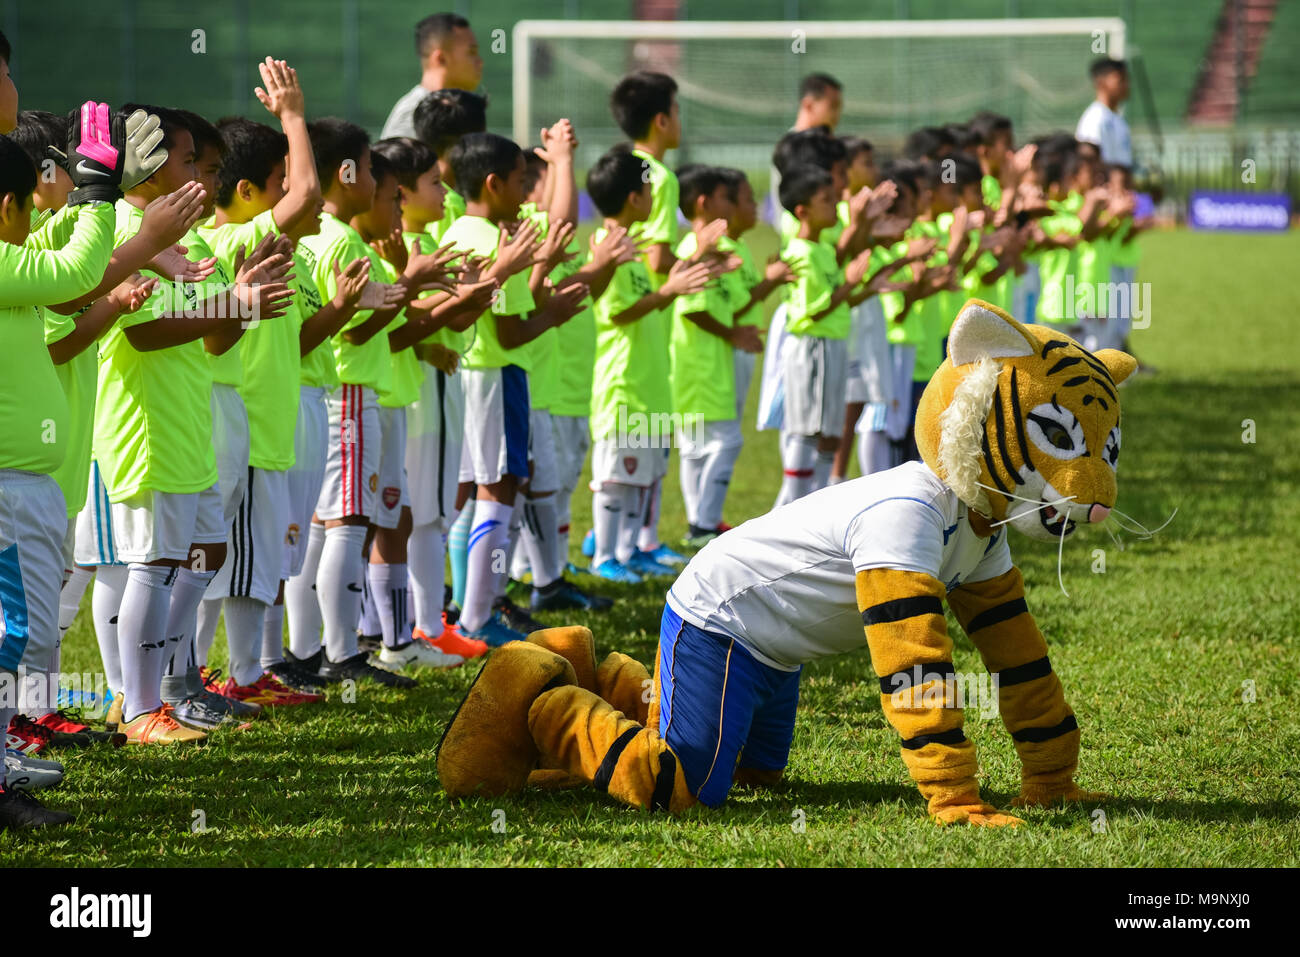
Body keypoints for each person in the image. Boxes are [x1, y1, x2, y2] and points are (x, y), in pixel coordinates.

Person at [438, 132, 587, 644]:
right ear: (493, 183)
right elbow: (509, 330)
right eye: (521, 183)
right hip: (499, 374)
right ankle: (479, 619)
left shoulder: (460, 229)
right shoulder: (496, 241)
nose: (527, 196)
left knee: (476, 492)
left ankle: (463, 611)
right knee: (499, 492)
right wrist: (554, 313)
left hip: (469, 375)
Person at [584, 145, 711, 584]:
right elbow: (617, 312)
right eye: (647, 189)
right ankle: (603, 555)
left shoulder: (632, 249)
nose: (654, 198)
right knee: (616, 475)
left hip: (647, 378)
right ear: (634, 198)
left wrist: (684, 273)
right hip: (622, 380)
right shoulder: (606, 246)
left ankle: (629, 549)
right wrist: (669, 292)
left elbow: (655, 294)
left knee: (642, 473)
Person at [670, 165, 758, 547]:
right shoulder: (693, 250)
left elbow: (728, 303)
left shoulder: (713, 251)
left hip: (709, 361)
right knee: (723, 442)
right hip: (698, 362)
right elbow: (693, 308)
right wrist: (734, 333)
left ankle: (700, 524)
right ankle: (703, 524)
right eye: (726, 198)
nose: (733, 206)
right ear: (705, 203)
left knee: (697, 447)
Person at [381, 13, 483, 140]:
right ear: (441, 59)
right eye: (472, 52)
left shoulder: (461, 110)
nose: (480, 61)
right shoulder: (410, 117)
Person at [1075, 58, 1132, 170]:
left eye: (1127, 79)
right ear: (1101, 82)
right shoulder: (1095, 118)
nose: (1126, 85)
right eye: (1120, 79)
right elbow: (1089, 162)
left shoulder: (1118, 119)